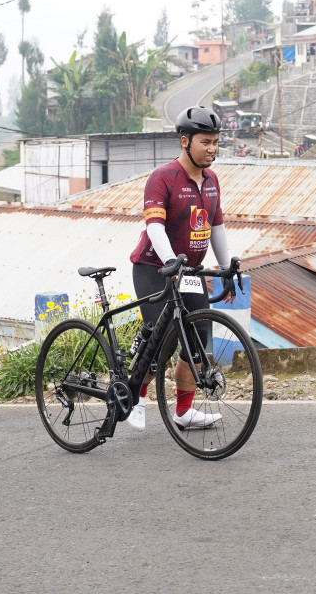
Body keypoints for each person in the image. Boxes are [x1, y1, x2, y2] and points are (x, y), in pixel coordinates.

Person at [126, 104, 234, 431]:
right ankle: (135, 396)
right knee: (162, 339)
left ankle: (184, 412)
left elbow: (216, 227)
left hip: (189, 272)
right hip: (153, 267)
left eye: (215, 142)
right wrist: (171, 262)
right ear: (185, 141)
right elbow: (154, 226)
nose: (212, 149)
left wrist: (227, 270)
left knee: (197, 336)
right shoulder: (163, 178)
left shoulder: (212, 180)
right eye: (205, 142)